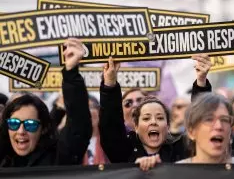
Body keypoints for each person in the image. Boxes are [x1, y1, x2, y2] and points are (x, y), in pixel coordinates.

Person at [99, 54, 212, 163]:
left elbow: (200, 125)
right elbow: (110, 126)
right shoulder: (123, 152)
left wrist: (201, 81)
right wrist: (109, 83)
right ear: (136, 126)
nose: (153, 122)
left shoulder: (180, 151)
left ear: (167, 126)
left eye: (160, 118)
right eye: (146, 118)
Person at [0, 38, 92, 167]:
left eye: (30, 124)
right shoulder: (3, 159)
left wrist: (71, 73)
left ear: (43, 129)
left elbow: (79, 127)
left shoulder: (57, 158)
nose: (21, 131)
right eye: (14, 123)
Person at [136, 93, 234, 171]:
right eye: (208, 119)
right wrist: (145, 172)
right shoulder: (175, 173)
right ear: (192, 131)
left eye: (224, 120)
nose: (218, 126)